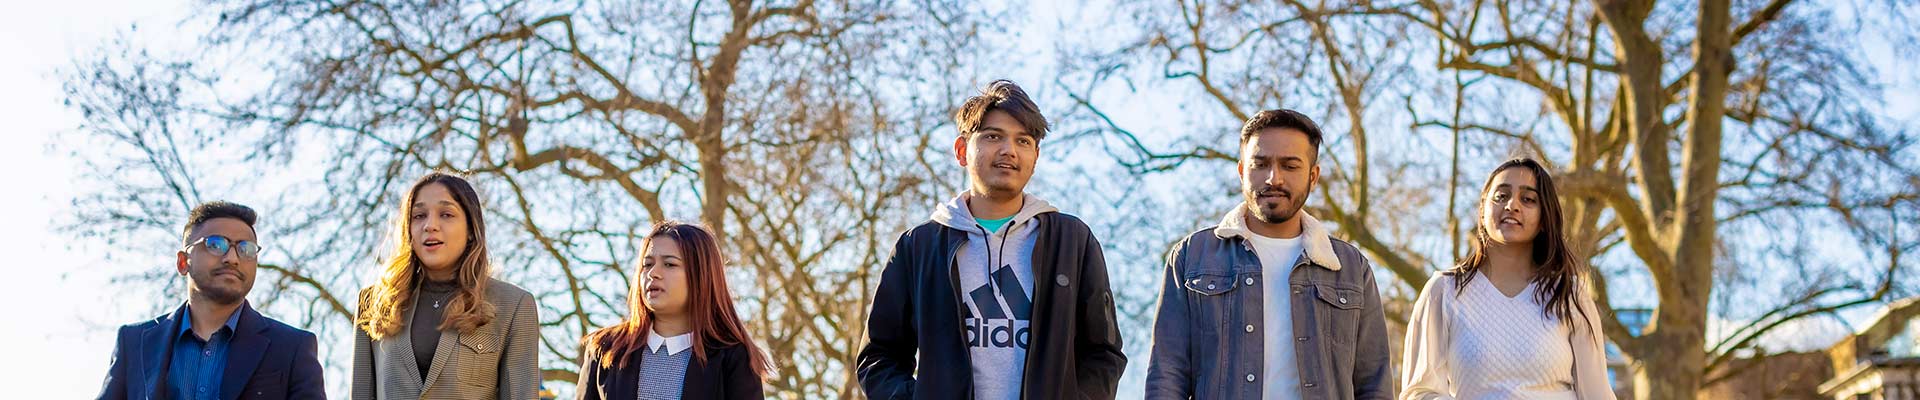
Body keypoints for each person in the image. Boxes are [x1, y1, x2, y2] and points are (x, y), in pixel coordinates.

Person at [857, 79, 1127, 400]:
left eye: (1023, 141)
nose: (1009, 150)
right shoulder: (919, 247)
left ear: (1036, 156)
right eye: (993, 136)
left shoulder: (1072, 242)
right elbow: (878, 357)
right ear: (962, 150)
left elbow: (1104, 353)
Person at [1145, 109, 1395, 399]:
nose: (1274, 178)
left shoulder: (1350, 268)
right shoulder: (1192, 258)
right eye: (1261, 164)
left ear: (1313, 176)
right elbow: (1167, 375)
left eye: (1290, 166)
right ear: (1242, 172)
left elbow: (1374, 384)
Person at [1400, 158, 1614, 400]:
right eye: (1501, 196)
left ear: (1544, 218)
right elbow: (1418, 393)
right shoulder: (1444, 291)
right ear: (1482, 210)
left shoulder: (1569, 293)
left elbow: (1597, 395)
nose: (1512, 205)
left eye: (1528, 199)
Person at [98, 201, 327, 400]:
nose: (232, 258)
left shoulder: (292, 347)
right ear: (182, 262)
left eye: (246, 249)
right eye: (216, 245)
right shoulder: (134, 343)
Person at [351, 171, 541, 399]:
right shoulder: (373, 303)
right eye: (419, 216)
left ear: (471, 229)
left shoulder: (514, 305)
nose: (430, 225)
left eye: (446, 214)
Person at [575, 221, 770, 399]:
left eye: (669, 264)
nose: (653, 273)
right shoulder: (606, 349)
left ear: (701, 276)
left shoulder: (733, 357)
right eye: (647, 264)